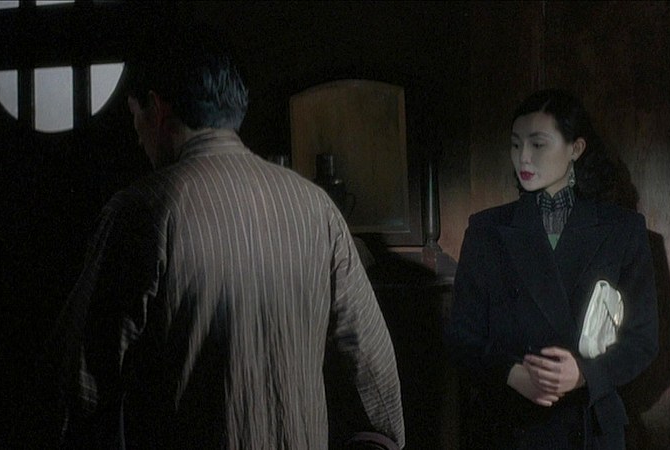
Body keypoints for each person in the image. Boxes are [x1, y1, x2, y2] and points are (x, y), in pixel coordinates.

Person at [40, 27, 405, 450]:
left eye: (135, 116)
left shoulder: (144, 210)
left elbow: (77, 381)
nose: (137, 135)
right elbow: (374, 371)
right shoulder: (316, 208)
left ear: (157, 109)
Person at [446, 89, 658, 449]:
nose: (523, 157)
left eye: (538, 144)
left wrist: (584, 374)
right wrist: (512, 374)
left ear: (576, 148)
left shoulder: (623, 229)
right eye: (516, 145)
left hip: (589, 426)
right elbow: (461, 337)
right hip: (509, 426)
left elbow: (643, 340)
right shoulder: (486, 230)